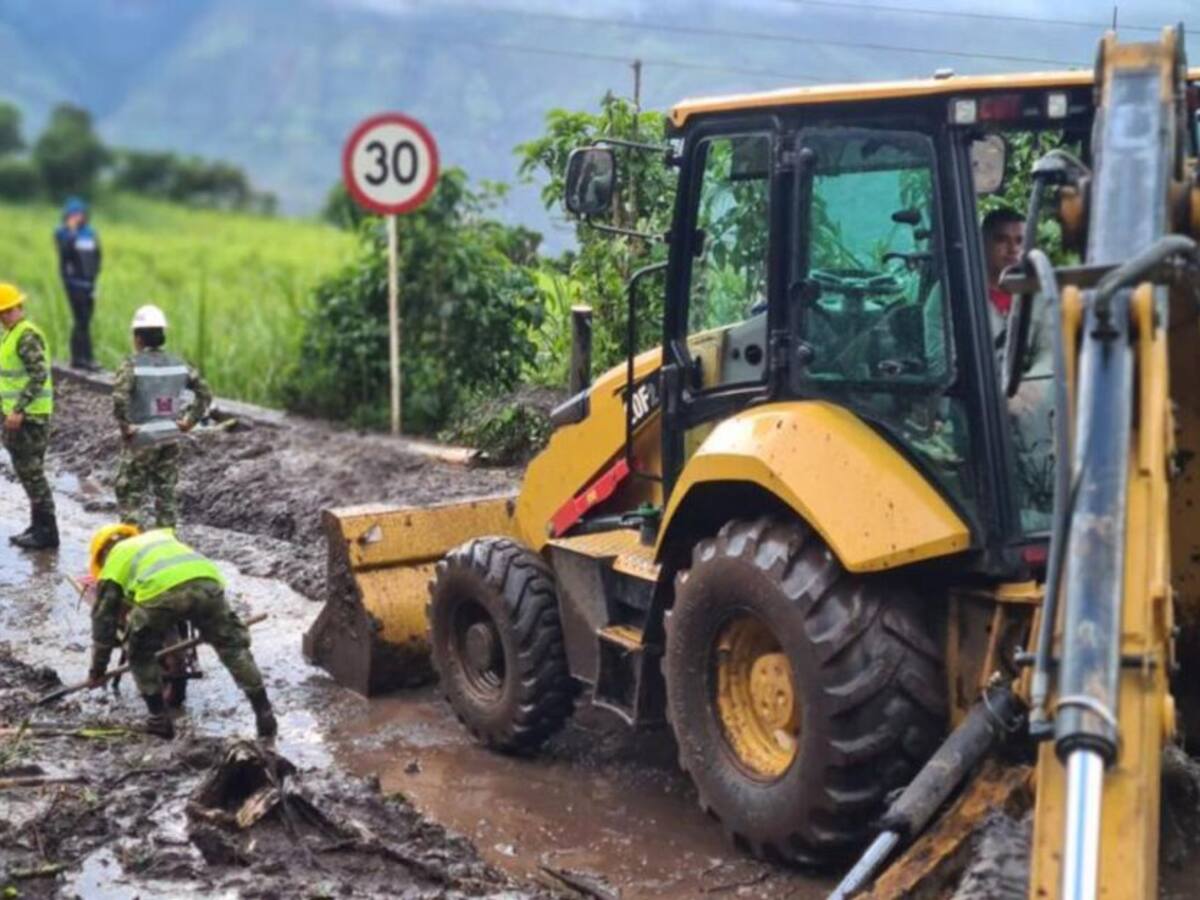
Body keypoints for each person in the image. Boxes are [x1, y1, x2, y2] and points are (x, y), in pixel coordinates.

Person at [86, 523, 277, 740]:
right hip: (207, 583)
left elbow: (103, 622)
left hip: (160, 594)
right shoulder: (160, 537)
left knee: (139, 652)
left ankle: (158, 719)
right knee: (232, 647)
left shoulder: (114, 560)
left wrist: (97, 670)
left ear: (102, 554)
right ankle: (265, 714)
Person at [113, 305, 212, 529]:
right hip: (170, 436)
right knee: (166, 495)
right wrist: (189, 421)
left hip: (142, 439)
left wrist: (126, 426)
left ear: (137, 337)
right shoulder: (179, 363)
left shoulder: (131, 365)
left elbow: (119, 399)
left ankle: (133, 543)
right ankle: (167, 542)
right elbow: (205, 393)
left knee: (130, 494)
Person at [0, 283, 58, 550]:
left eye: (6, 311)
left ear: (17, 308)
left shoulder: (26, 335)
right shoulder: (11, 335)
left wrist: (19, 409)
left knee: (32, 474)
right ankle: (38, 527)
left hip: (29, 418)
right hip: (21, 417)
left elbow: (38, 375)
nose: (3, 317)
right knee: (28, 473)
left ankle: (47, 532)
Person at [54, 196, 102, 371]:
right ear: (67, 215)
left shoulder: (90, 233)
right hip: (74, 284)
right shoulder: (62, 233)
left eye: (80, 213)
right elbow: (64, 254)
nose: (77, 217)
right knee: (81, 319)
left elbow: (97, 256)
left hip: (89, 284)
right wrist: (72, 232)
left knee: (84, 321)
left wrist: (94, 278)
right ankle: (85, 359)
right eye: (74, 214)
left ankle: (79, 358)